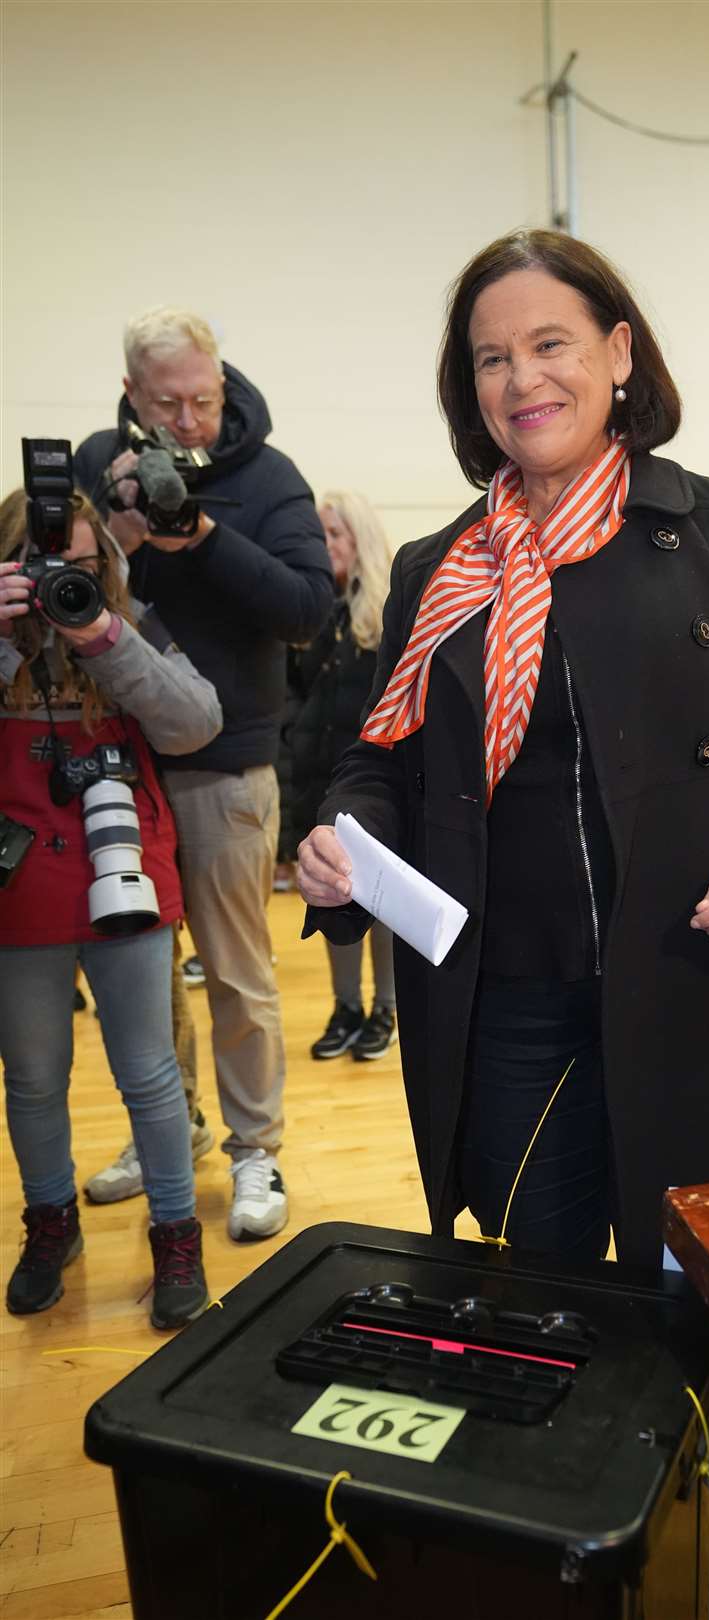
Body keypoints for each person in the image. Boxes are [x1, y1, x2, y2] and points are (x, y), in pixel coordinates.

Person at [297, 230, 709, 1269]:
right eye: (491, 358)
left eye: (551, 343)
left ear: (618, 352)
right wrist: (346, 836)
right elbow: (380, 760)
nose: (524, 379)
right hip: (510, 1003)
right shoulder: (441, 568)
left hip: (697, 981)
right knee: (547, 1298)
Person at [74, 308, 334, 1240]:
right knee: (137, 969)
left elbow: (310, 609)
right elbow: (58, 592)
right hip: (120, 761)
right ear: (135, 396)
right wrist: (117, 539)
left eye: (203, 397)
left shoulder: (271, 478)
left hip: (227, 765)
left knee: (236, 973)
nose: (189, 419)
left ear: (222, 383)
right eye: (168, 403)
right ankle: (164, 1132)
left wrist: (208, 540)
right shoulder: (99, 460)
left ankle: (256, 1151)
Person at [0, 489, 221, 1328]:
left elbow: (197, 722)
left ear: (106, 564)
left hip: (121, 859)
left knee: (151, 1071)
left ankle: (175, 1235)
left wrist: (102, 635)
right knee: (31, 1074)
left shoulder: (129, 622)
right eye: (44, 567)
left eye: (82, 567)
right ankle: (51, 1222)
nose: (64, 579)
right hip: (19, 875)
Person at [294, 492, 397, 1061]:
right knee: (328, 892)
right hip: (322, 780)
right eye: (320, 535)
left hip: (372, 785)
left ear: (359, 539)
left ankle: (385, 1006)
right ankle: (346, 1005)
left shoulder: (386, 616)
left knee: (377, 899)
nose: (325, 546)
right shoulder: (318, 615)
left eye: (335, 534)